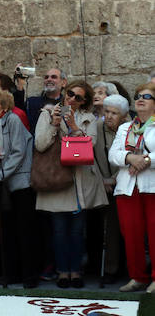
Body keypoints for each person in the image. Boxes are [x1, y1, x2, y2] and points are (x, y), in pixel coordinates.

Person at [35, 80, 107, 288]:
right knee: (58, 231)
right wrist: (54, 125)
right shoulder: (47, 114)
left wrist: (75, 127)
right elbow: (40, 145)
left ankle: (75, 271)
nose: (72, 98)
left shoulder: (88, 118)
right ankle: (62, 271)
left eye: (78, 97)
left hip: (79, 180)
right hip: (57, 178)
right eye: (70, 93)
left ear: (84, 101)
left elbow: (91, 145)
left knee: (77, 231)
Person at [0, 88, 36, 288]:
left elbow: (18, 152)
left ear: (4, 106)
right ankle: (10, 273)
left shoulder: (13, 120)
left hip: (19, 181)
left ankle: (29, 275)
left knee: (25, 229)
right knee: (6, 230)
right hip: (1, 183)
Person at [109, 83, 155, 293]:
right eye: (138, 96)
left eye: (147, 96)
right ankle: (137, 277)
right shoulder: (125, 127)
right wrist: (130, 158)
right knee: (131, 233)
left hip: (151, 187)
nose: (140, 99)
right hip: (127, 188)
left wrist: (144, 160)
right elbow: (114, 154)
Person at [89, 94, 130, 285]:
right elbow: (92, 156)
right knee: (107, 228)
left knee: (124, 228)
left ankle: (127, 268)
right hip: (101, 183)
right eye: (107, 112)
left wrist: (114, 179)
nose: (109, 116)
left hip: (124, 182)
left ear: (123, 116)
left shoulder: (130, 128)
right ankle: (109, 269)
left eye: (114, 113)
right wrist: (103, 179)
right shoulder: (97, 127)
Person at [26, 68, 67, 134]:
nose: (49, 79)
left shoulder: (65, 104)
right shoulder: (32, 102)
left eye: (54, 77)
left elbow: (66, 126)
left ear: (63, 83)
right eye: (46, 77)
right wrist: (20, 84)